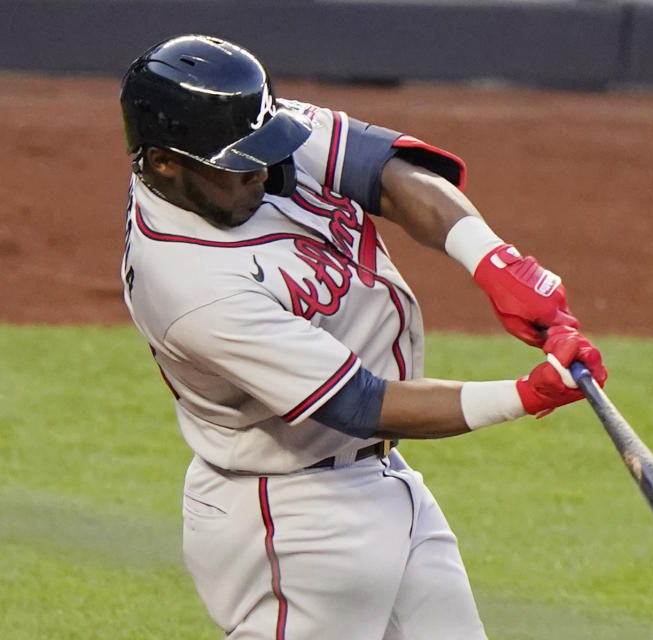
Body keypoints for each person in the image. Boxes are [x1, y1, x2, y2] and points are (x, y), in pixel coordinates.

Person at [119, 34, 607, 640]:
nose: (266, 172)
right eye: (241, 168)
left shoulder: (246, 133)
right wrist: (525, 395)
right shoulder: (191, 286)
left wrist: (495, 263)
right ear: (164, 161)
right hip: (290, 520)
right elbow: (361, 402)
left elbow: (386, 174)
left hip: (382, 484)